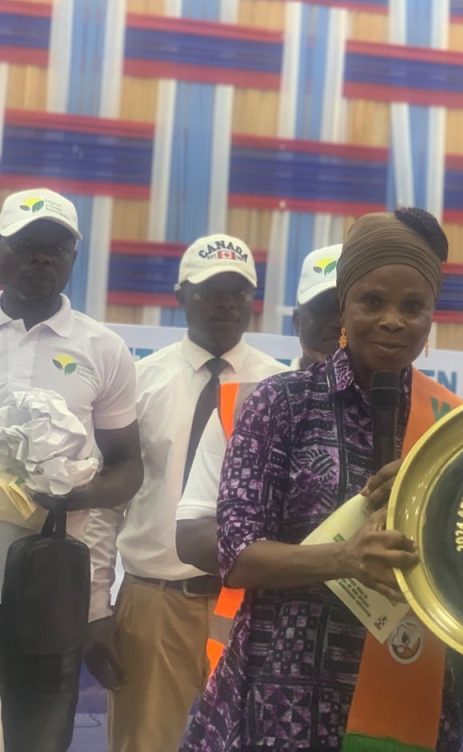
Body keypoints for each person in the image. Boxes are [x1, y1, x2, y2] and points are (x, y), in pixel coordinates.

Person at [181, 209, 463, 751]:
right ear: (343, 308)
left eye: (412, 307)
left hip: (410, 681)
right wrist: (345, 559)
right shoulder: (282, 403)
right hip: (286, 691)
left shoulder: (450, 425)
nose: (392, 321)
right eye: (372, 301)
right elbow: (237, 557)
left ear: (431, 317)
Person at [92, 234, 284, 752]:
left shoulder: (281, 389)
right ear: (180, 295)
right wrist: (95, 605)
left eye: (238, 292)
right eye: (210, 291)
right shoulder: (138, 383)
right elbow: (106, 507)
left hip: (250, 606)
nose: (226, 303)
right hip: (156, 604)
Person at [0, 188, 143, 752]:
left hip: (52, 579)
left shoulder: (103, 349)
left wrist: (74, 495)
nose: (41, 258)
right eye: (26, 245)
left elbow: (127, 469)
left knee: (38, 735)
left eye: (56, 248)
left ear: (74, 257)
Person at [174, 244, 343, 671]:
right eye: (326, 308)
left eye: (357, 305)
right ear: (298, 320)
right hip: (262, 645)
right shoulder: (256, 403)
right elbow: (192, 535)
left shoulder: (425, 415)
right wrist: (337, 562)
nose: (339, 323)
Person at [291, 243, 344, 369]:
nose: (338, 323)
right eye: (323, 308)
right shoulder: (260, 381)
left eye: (346, 309)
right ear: (297, 322)